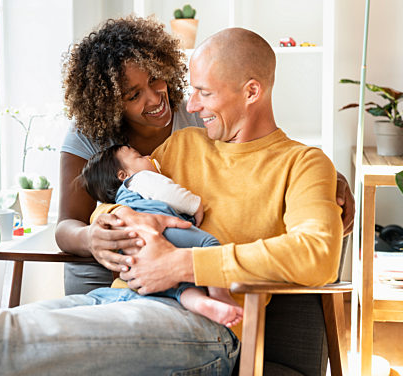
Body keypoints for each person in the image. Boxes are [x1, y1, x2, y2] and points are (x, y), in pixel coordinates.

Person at [0, 26, 342, 375]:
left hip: (206, 328)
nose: (188, 103)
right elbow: (106, 211)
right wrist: (126, 224)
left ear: (251, 92)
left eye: (203, 92)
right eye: (193, 91)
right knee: (5, 328)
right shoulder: (183, 146)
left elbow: (316, 252)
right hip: (116, 299)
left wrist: (181, 261)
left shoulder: (303, 163)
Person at [57, 16, 355, 296]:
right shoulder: (170, 144)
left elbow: (266, 150)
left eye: (155, 79)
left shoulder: (202, 129)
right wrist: (105, 228)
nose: (187, 105)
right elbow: (88, 214)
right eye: (133, 95)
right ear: (107, 105)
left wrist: (326, 182)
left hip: (180, 300)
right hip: (105, 272)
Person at [80, 143, 242, 327]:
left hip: (133, 253)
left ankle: (200, 303)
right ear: (123, 176)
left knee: (179, 286)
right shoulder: (139, 179)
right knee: (209, 243)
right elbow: (169, 192)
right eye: (139, 157)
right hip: (163, 231)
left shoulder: (118, 204)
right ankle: (220, 294)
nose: (149, 156)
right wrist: (194, 205)